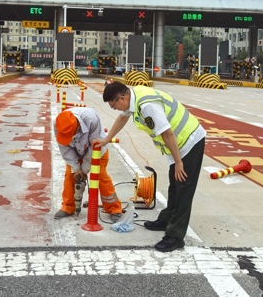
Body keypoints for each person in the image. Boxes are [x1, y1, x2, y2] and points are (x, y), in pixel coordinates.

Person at [93, 82, 206, 253]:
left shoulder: (147, 105)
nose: (114, 109)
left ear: (122, 98)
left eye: (113, 105)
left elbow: (167, 133)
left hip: (189, 141)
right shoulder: (134, 98)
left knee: (184, 188)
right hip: (177, 144)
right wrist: (107, 139)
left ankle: (175, 236)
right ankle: (167, 219)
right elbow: (122, 117)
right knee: (174, 184)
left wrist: (178, 162)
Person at [54, 107, 123, 222]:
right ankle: (68, 207)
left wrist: (84, 170)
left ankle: (114, 208)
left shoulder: (91, 119)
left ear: (77, 127)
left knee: (101, 176)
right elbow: (65, 149)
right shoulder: (58, 124)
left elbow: (94, 147)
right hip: (75, 152)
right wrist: (76, 169)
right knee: (70, 175)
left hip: (97, 150)